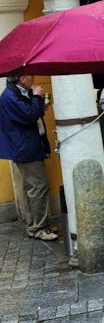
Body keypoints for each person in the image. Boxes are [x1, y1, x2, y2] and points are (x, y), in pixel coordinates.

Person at [0, 76, 56, 241]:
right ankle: (39, 228)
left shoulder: (21, 92)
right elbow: (29, 115)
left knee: (31, 187)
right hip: (25, 147)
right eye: (30, 75)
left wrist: (39, 102)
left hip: (28, 145)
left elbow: (31, 113)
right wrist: (37, 98)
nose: (33, 78)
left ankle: (34, 225)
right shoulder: (10, 96)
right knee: (38, 186)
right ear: (21, 78)